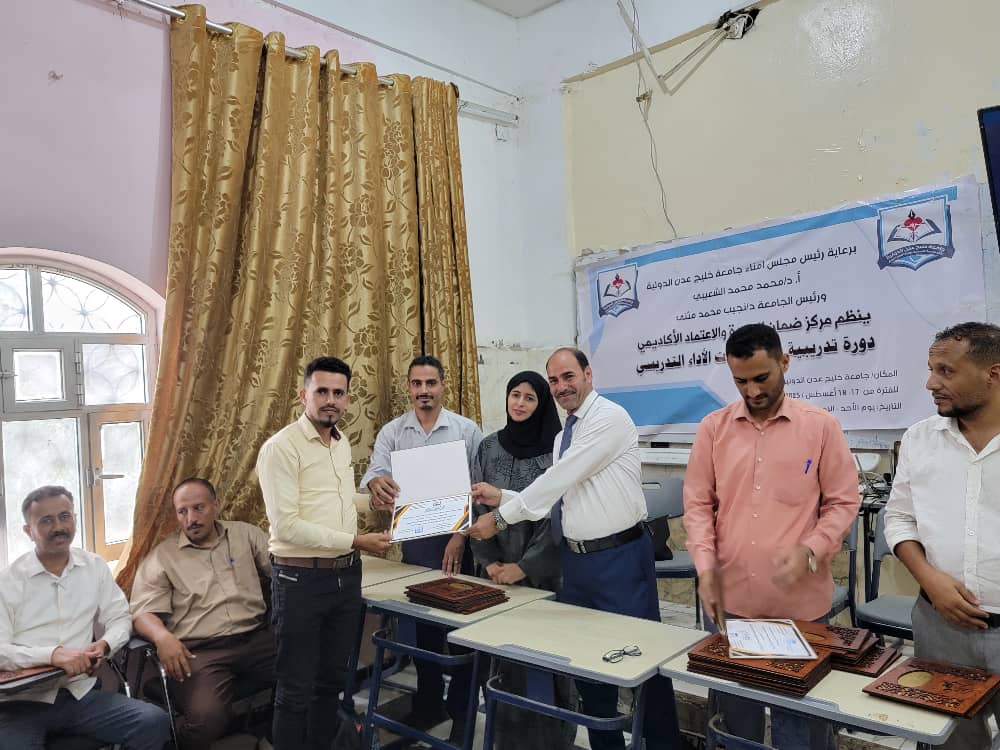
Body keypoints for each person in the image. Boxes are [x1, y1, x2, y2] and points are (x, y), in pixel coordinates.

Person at [469, 347, 679, 750]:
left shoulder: (609, 418)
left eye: (568, 377)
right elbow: (561, 495)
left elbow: (560, 478)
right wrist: (503, 497)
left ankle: (665, 745)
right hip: (577, 564)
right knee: (588, 667)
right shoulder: (564, 434)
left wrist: (501, 517)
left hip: (619, 559)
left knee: (645, 663)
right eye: (554, 380)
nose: (561, 387)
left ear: (588, 374)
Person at [683, 323, 859, 749]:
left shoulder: (821, 427)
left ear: (785, 362)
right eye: (740, 381)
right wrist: (705, 568)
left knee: (801, 724)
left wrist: (812, 548)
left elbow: (842, 502)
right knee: (734, 719)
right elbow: (698, 506)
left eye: (762, 378)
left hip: (798, 607)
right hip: (730, 602)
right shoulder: (713, 429)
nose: (753, 391)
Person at [256, 356, 391, 750]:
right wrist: (357, 541)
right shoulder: (281, 448)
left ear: (347, 399)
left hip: (345, 576)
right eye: (322, 391)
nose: (331, 399)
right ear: (304, 395)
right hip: (299, 580)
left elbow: (333, 499)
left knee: (331, 682)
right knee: (294, 690)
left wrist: (371, 503)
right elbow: (287, 526)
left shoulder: (340, 442)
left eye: (338, 392)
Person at [885, 322, 1000, 750]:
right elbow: (899, 518)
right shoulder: (920, 439)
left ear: (993, 374)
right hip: (939, 628)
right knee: (949, 741)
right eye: (932, 369)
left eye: (946, 371)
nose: (931, 383)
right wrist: (929, 578)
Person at [362, 354, 483, 738]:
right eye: (417, 384)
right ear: (409, 387)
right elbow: (374, 475)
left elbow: (479, 491)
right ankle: (428, 703)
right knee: (424, 632)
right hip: (416, 545)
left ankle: (462, 716)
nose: (424, 391)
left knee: (462, 633)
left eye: (431, 383)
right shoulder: (394, 433)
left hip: (458, 545)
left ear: (443, 385)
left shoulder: (466, 431)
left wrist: (460, 537)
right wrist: (376, 484)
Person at [0, 485, 171, 749]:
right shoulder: (8, 581)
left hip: (78, 694)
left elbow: (119, 617)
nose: (59, 527)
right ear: (28, 531)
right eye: (46, 521)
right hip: (20, 704)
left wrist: (105, 645)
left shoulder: (93, 567)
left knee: (153, 722)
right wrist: (52, 655)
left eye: (64, 516)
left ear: (75, 519)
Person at [130, 477, 276, 750]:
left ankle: (273, 739)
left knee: (306, 674)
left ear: (216, 505)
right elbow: (142, 613)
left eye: (198, 508)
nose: (191, 519)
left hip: (256, 639)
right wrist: (162, 637)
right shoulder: (163, 557)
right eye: (182, 512)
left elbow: (282, 571)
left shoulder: (245, 535)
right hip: (201, 652)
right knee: (207, 719)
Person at [469, 370, 574, 750]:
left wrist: (524, 567)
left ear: (542, 404)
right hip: (495, 578)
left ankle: (552, 741)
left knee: (545, 660)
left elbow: (556, 514)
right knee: (501, 660)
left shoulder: (556, 452)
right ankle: (504, 739)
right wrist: (490, 563)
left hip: (544, 578)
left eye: (530, 397)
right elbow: (477, 505)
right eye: (515, 395)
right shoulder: (488, 447)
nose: (520, 403)